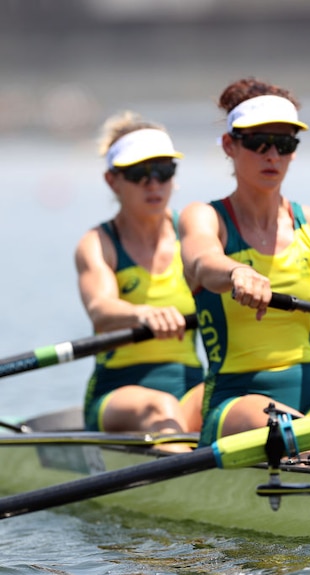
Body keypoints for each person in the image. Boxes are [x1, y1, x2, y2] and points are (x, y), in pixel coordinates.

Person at [179, 77, 310, 456]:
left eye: (284, 144)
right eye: (258, 143)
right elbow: (201, 260)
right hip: (234, 398)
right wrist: (236, 273)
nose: (272, 155)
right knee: (302, 441)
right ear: (230, 145)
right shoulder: (205, 217)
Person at [76, 112, 204, 446]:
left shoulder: (195, 235)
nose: (153, 184)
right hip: (118, 393)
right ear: (112, 180)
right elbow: (101, 308)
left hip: (191, 385)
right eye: (139, 174)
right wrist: (142, 313)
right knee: (160, 407)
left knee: (251, 396)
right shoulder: (99, 243)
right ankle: (188, 485)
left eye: (163, 171)